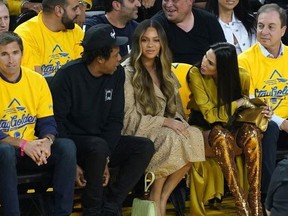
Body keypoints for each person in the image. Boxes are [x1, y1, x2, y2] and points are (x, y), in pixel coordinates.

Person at [50, 23, 155, 216]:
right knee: (97, 146)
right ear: (99, 58)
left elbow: (115, 119)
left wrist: (106, 157)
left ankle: (111, 204)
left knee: (144, 147)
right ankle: (92, 211)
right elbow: (57, 123)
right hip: (74, 144)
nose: (119, 59)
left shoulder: (117, 74)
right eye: (115, 54)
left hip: (101, 146)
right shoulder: (67, 76)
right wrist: (70, 162)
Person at [121, 19, 205, 216]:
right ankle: (155, 195)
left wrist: (177, 122)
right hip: (139, 130)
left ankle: (163, 195)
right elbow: (128, 119)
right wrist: (166, 122)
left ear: (162, 44)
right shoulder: (127, 72)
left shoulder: (165, 70)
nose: (150, 45)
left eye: (156, 40)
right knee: (171, 139)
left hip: (163, 127)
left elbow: (174, 109)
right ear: (137, 43)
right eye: (145, 40)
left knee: (193, 135)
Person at [187, 42, 273, 215]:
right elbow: (210, 116)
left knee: (252, 134)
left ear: (224, 68)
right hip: (203, 127)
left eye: (211, 63)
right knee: (221, 136)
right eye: (205, 56)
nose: (204, 62)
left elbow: (245, 110)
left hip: (231, 124)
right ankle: (240, 201)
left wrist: (263, 109)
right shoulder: (195, 74)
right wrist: (238, 102)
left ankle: (255, 201)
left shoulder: (242, 76)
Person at [0, 32, 76, 216]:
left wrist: (47, 142)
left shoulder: (36, 80)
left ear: (22, 54)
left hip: (32, 150)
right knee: (5, 151)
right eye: (4, 54)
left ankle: (61, 213)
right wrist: (23, 145)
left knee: (66, 147)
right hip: (7, 153)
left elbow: (48, 122)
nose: (11, 60)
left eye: (15, 53)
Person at [238, 3, 288, 203]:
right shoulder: (245, 60)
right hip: (262, 123)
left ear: (283, 30)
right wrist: (280, 121)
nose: (264, 32)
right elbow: (251, 104)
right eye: (260, 26)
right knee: (271, 130)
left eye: (270, 27)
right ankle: (266, 197)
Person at [14, 0, 84, 77]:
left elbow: (81, 72)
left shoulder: (76, 31)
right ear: (59, 10)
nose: (79, 13)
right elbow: (35, 80)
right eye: (74, 8)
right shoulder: (26, 34)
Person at [152, 0, 226, 65]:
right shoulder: (156, 26)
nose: (168, 5)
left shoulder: (209, 20)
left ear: (190, 1)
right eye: (166, 0)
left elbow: (223, 55)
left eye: (175, 0)